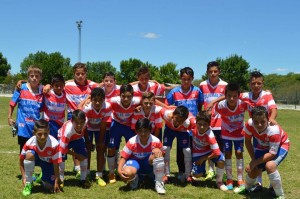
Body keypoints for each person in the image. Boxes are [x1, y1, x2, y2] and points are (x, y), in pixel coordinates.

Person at [234, 106, 289, 199]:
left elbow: (272, 153)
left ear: (268, 119)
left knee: (270, 165)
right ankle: (246, 188)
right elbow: (247, 141)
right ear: (252, 119)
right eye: (256, 122)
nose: (259, 125)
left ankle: (280, 195)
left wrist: (254, 162)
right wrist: (253, 160)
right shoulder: (249, 124)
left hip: (281, 145)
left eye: (263, 121)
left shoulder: (274, 130)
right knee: (255, 168)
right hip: (263, 145)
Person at [166, 67, 204, 181]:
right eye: (184, 79)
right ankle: (181, 171)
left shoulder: (197, 91)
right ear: (180, 78)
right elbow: (168, 106)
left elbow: (200, 106)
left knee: (192, 149)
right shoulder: (174, 92)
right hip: (179, 126)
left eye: (189, 79)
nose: (186, 82)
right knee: (180, 150)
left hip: (192, 126)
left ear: (192, 79)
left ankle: (193, 171)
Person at [214, 82, 249, 191]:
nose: (232, 98)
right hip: (226, 132)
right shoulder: (220, 105)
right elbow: (212, 111)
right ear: (225, 95)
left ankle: (240, 179)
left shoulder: (243, 104)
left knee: (239, 153)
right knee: (227, 154)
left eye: (234, 96)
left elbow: (255, 99)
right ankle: (229, 179)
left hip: (239, 132)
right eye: (229, 95)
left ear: (239, 95)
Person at [117, 118, 166, 194]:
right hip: (135, 164)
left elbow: (163, 155)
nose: (143, 134)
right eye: (140, 131)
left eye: (145, 131)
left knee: (158, 153)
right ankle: (135, 179)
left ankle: (159, 183)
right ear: (136, 131)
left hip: (148, 165)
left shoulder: (156, 141)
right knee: (127, 172)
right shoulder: (132, 141)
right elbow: (123, 157)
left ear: (150, 131)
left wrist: (158, 151)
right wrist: (119, 170)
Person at [107, 84, 141, 184]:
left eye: (129, 96)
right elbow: (101, 102)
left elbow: (150, 100)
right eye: (123, 96)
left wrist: (140, 106)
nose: (126, 99)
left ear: (132, 96)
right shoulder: (113, 100)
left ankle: (129, 171)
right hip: (116, 124)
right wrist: (87, 100)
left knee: (132, 149)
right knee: (111, 148)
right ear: (119, 95)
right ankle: (111, 173)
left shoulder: (137, 101)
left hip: (129, 126)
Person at [78, 87, 112, 186]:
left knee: (100, 149)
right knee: (87, 149)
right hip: (88, 127)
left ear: (104, 100)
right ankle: (87, 173)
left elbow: (103, 124)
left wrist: (100, 142)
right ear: (91, 99)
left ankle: (99, 175)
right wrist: (88, 141)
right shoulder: (87, 108)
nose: (97, 103)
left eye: (100, 100)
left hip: (100, 128)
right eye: (95, 100)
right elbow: (83, 125)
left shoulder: (107, 106)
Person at [199, 61, 227, 180]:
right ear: (207, 72)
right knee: (209, 147)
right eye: (211, 72)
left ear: (219, 72)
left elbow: (229, 95)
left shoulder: (225, 84)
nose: (213, 73)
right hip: (207, 122)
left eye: (215, 71)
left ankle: (222, 171)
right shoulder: (202, 84)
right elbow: (200, 101)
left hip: (221, 122)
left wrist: (213, 102)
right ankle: (210, 171)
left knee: (221, 148)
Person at [20, 119, 62, 196]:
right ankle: (29, 184)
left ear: (49, 132)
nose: (42, 137)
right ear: (34, 133)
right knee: (29, 154)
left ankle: (42, 178)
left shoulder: (54, 144)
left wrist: (56, 181)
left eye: (45, 134)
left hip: (49, 163)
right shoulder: (29, 143)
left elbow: (56, 164)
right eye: (39, 134)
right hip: (37, 159)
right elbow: (21, 160)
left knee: (49, 187)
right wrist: (24, 177)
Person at [8, 65, 44, 153]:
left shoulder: (43, 90)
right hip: (23, 127)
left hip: (36, 127)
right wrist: (9, 117)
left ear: (40, 78)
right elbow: (12, 104)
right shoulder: (21, 88)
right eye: (32, 76)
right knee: (24, 153)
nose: (34, 78)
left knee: (35, 154)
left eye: (37, 76)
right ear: (28, 77)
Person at [191, 111, 228, 191]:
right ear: (196, 122)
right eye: (199, 124)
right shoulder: (192, 125)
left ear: (209, 124)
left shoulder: (210, 135)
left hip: (208, 151)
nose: (201, 127)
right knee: (198, 175)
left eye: (204, 125)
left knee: (221, 160)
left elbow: (217, 152)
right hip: (197, 153)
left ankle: (219, 182)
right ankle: (198, 171)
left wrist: (204, 158)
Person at [57, 110, 91, 189]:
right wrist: (77, 155)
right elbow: (63, 149)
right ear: (72, 121)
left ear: (84, 121)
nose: (79, 125)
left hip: (77, 138)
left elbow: (85, 129)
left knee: (84, 156)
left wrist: (87, 141)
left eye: (81, 123)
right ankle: (61, 180)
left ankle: (83, 179)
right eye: (76, 123)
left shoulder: (85, 121)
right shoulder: (68, 131)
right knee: (61, 157)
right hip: (64, 139)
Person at [161, 105, 195, 183]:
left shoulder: (189, 121)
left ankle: (188, 174)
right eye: (176, 119)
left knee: (187, 150)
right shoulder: (166, 114)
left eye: (181, 120)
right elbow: (155, 107)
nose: (178, 122)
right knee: (165, 148)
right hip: (169, 130)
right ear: (173, 115)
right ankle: (166, 174)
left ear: (185, 119)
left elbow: (199, 126)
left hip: (182, 132)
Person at [42, 74, 66, 139]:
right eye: (56, 85)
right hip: (48, 122)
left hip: (59, 123)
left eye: (61, 85)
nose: (59, 87)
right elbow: (35, 84)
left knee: (58, 143)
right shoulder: (47, 92)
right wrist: (21, 81)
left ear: (64, 85)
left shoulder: (65, 93)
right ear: (52, 86)